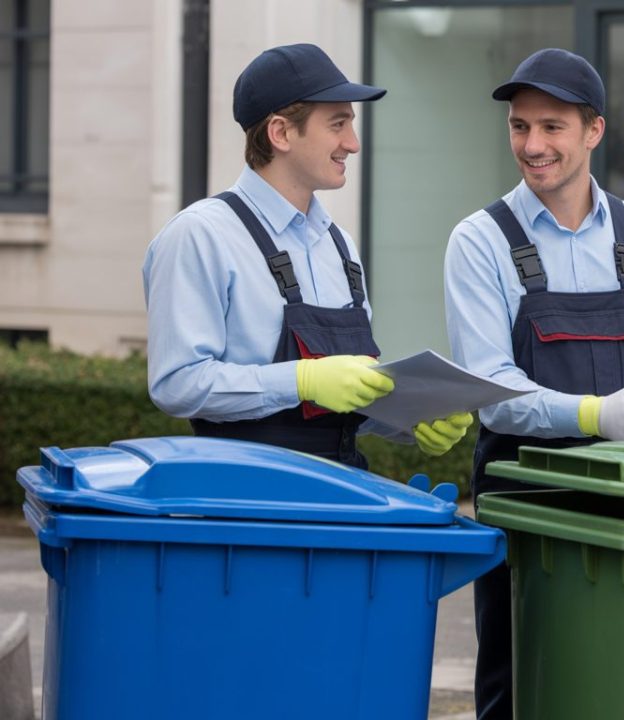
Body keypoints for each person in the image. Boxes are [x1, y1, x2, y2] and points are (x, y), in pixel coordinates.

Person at [443, 48, 624, 719]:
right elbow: (493, 391)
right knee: (522, 679)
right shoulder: (480, 241)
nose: (532, 145)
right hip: (527, 503)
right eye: (519, 127)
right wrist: (596, 416)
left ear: (594, 130)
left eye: (551, 127)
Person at [144, 43, 471, 468]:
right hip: (243, 490)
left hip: (342, 486)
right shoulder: (199, 235)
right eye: (337, 124)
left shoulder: (339, 245)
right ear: (280, 133)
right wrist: (301, 380)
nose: (352, 143)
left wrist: (413, 419)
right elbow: (177, 384)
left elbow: (339, 402)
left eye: (351, 124)